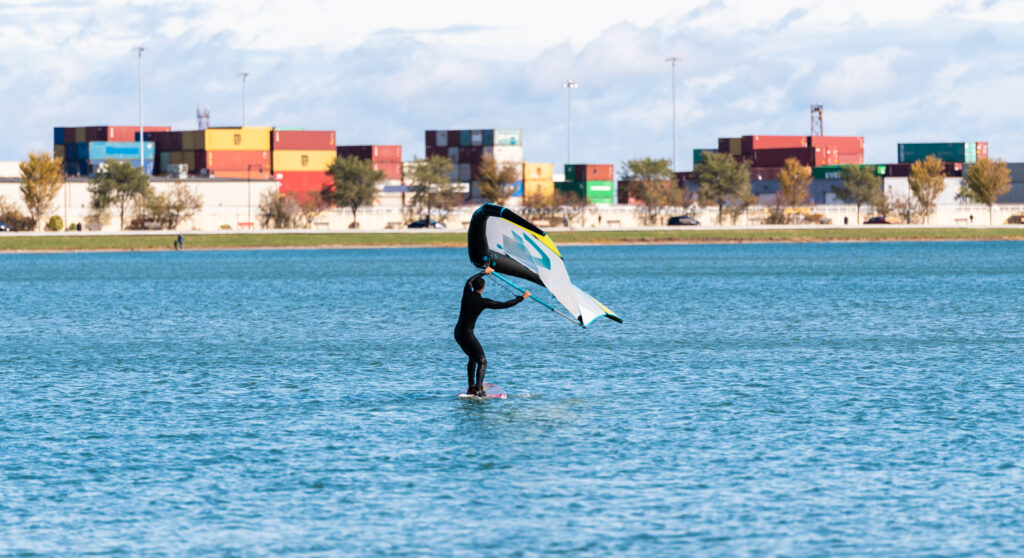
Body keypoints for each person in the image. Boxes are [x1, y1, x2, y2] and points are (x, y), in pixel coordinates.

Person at [454, 266, 529, 396]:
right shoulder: (482, 302)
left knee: (472, 357)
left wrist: (484, 273)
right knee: (482, 361)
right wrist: (521, 298)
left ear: (474, 286)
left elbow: (469, 281)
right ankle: (478, 389)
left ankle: (472, 387)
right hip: (467, 334)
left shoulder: (466, 294)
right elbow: (504, 305)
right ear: (483, 288)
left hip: (457, 333)